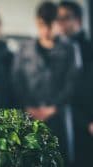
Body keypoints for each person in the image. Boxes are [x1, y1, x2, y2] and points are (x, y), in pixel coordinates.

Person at [11, 2, 78, 166]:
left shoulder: (70, 49)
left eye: (51, 24)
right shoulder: (24, 49)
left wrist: (53, 107)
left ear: (58, 23)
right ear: (36, 22)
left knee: (61, 158)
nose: (46, 30)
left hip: (59, 113)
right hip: (29, 113)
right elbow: (16, 79)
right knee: (30, 158)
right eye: (42, 24)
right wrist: (29, 106)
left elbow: (73, 82)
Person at [57, 2, 93, 165]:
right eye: (58, 19)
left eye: (66, 18)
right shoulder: (57, 50)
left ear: (78, 20)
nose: (61, 23)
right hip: (64, 119)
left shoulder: (88, 49)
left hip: (87, 121)